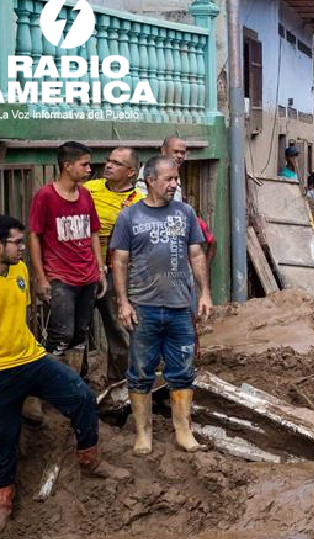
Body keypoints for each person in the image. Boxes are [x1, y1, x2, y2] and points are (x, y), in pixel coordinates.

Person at [0, 216, 128, 536]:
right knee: (2, 439)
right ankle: (1, 504)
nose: (23, 247)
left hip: (32, 360)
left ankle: (90, 461)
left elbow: (22, 317)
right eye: (17, 242)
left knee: (82, 396)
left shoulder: (19, 270)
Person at [110, 156, 213, 456]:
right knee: (141, 371)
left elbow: (196, 254)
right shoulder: (129, 217)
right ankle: (144, 433)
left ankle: (183, 430)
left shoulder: (186, 213)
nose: (174, 184)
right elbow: (119, 261)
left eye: (176, 180)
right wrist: (123, 303)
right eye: (168, 179)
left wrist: (204, 293)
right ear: (150, 180)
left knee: (182, 370)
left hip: (181, 306)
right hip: (143, 307)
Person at [29, 141, 107, 375]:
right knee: (61, 334)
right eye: (84, 165)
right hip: (60, 277)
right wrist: (41, 277)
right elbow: (35, 237)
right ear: (67, 165)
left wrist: (99, 269)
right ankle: (49, 385)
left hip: (88, 276)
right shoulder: (45, 196)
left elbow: (93, 232)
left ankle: (75, 384)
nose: (89, 170)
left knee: (80, 333)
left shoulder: (85, 195)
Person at [85, 147, 141, 394]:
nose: (108, 166)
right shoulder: (88, 189)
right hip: (83, 269)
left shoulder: (139, 202)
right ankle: (76, 384)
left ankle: (117, 386)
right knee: (74, 331)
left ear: (131, 172)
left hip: (118, 273)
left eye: (117, 163)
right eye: (108, 161)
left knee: (120, 331)